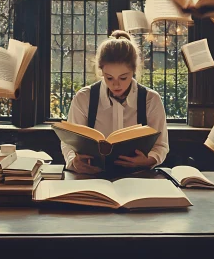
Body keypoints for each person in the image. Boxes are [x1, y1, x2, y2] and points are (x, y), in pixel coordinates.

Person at [61, 30, 169, 174]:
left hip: (138, 178)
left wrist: (148, 160)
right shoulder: (84, 98)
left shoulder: (151, 100)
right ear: (101, 72)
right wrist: (74, 162)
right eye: (109, 78)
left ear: (134, 71)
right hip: (92, 178)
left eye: (123, 78)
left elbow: (161, 146)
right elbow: (69, 143)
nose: (116, 85)